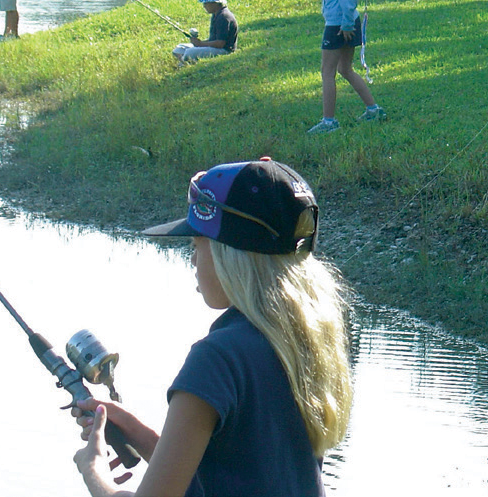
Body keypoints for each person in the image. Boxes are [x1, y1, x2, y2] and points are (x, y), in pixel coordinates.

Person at [71, 158, 353, 497]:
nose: (192, 257)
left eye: (197, 243)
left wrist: (93, 470)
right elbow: (231, 473)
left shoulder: (217, 358)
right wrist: (134, 429)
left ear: (230, 253)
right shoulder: (303, 341)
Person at [285, 0, 386, 134]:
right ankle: (373, 109)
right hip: (347, 22)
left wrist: (346, 24)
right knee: (345, 69)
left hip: (339, 25)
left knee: (327, 72)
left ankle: (329, 122)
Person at [171, 0, 238, 64]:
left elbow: (220, 43)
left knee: (190, 52)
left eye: (206, 3)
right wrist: (200, 43)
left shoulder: (223, 17)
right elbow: (213, 40)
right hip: (216, 48)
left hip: (224, 50)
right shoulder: (216, 15)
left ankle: (185, 64)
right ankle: (187, 62)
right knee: (179, 49)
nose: (204, 5)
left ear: (215, 3)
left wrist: (200, 44)